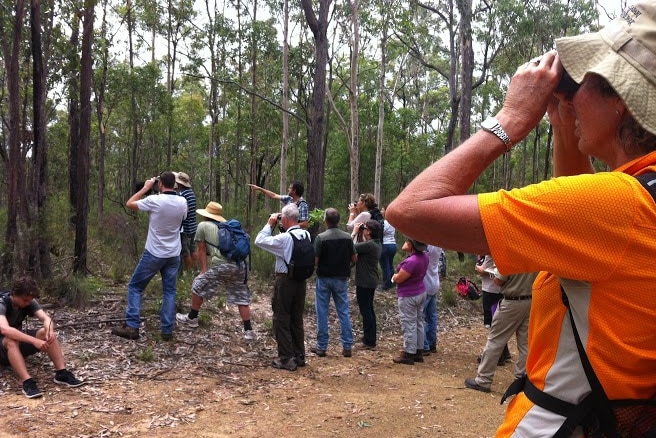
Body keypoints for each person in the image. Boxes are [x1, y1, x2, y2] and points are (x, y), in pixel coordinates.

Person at [386, 3, 656, 435]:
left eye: (581, 80)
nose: (570, 92)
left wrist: (508, 120)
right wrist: (565, 124)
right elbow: (580, 244)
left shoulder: (617, 205)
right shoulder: (642, 199)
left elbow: (409, 211)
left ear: (621, 100)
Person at [112, 171, 187, 341]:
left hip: (154, 252)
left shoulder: (155, 200)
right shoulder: (183, 201)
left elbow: (130, 203)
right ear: (174, 184)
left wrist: (145, 188)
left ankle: (132, 326)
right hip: (174, 253)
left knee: (135, 287)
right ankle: (167, 330)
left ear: (160, 184)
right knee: (169, 291)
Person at [175, 202, 256, 342]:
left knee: (198, 284)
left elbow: (201, 249)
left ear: (206, 215)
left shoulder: (203, 226)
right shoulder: (226, 227)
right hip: (240, 265)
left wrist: (203, 270)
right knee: (241, 297)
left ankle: (192, 318)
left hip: (221, 265)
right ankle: (249, 331)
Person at [0, 277, 84, 398]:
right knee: (11, 340)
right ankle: (27, 382)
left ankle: (62, 373)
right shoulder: (2, 303)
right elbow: (5, 329)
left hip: (14, 344)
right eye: (25, 300)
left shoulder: (28, 302)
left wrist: (49, 329)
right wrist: (34, 341)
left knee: (45, 333)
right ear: (15, 294)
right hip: (4, 344)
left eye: (30, 300)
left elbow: (46, 318)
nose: (28, 303)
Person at [254, 204, 310, 371]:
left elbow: (259, 240)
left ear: (285, 219)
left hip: (285, 281)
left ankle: (286, 358)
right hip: (301, 281)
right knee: (296, 318)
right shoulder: (305, 234)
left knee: (281, 318)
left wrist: (270, 224)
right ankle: (299, 355)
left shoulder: (286, 238)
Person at [464, 270, 536, 393]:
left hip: (511, 302)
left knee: (495, 341)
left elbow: (499, 281)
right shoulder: (534, 255)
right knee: (525, 344)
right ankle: (522, 380)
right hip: (530, 301)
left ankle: (483, 380)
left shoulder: (509, 256)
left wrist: (492, 273)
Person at [311, 208, 357, 358]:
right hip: (341, 279)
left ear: (326, 221)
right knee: (343, 311)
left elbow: (315, 260)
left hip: (324, 278)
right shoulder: (347, 237)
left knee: (322, 312)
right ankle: (347, 346)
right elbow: (354, 258)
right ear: (338, 220)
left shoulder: (320, 238)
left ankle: (322, 347)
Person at [391, 238, 429, 365]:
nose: (405, 242)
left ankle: (409, 353)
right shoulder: (424, 257)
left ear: (412, 245)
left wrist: (394, 277)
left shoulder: (411, 261)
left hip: (409, 295)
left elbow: (400, 279)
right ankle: (418, 350)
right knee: (418, 321)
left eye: (407, 241)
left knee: (408, 323)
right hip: (420, 292)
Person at [352, 219, 382, 350]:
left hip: (365, 281)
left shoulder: (369, 245)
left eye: (365, 228)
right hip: (370, 280)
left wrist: (354, 232)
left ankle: (370, 341)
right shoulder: (375, 243)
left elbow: (350, 247)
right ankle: (369, 337)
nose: (362, 230)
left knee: (366, 310)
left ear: (369, 232)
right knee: (368, 309)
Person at [475, 255, 511, 365]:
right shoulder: (488, 248)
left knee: (493, 323)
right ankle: (504, 352)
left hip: (493, 291)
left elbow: (499, 270)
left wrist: (482, 270)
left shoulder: (496, 248)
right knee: (495, 322)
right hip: (491, 289)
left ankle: (497, 356)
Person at [175, 172, 198, 273]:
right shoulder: (191, 192)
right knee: (192, 248)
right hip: (193, 225)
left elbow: (183, 211)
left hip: (185, 227)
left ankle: (189, 271)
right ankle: (195, 269)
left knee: (185, 251)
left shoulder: (182, 195)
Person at [422, 244, 442, 356]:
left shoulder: (427, 247)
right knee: (432, 316)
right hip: (434, 282)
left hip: (426, 283)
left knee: (421, 316)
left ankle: (424, 346)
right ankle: (431, 343)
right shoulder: (437, 244)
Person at [379, 207, 397, 291]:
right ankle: (392, 282)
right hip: (393, 245)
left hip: (385, 245)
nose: (381, 211)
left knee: (385, 266)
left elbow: (381, 233)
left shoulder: (384, 223)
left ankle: (386, 285)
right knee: (390, 265)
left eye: (383, 209)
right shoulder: (393, 222)